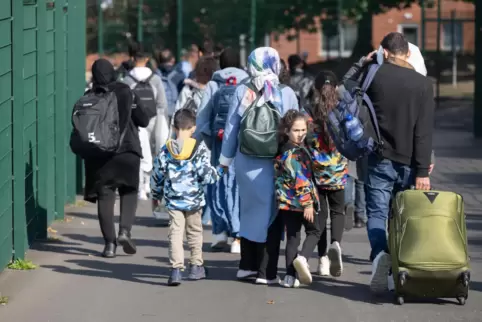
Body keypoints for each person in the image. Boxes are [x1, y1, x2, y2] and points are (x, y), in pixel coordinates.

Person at [344, 32, 434, 293]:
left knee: (377, 214)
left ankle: (379, 255)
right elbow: (424, 131)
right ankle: (399, 272)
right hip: (410, 163)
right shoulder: (423, 84)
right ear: (408, 53)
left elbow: (342, 89)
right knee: (403, 217)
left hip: (379, 157)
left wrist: (363, 62)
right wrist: (421, 171)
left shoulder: (373, 75)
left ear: (383, 51)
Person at [219, 47, 299, 284]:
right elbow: (296, 129)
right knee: (272, 214)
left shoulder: (242, 90)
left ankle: (247, 266)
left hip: (246, 161)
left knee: (249, 210)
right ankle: (267, 272)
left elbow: (232, 127)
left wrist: (225, 160)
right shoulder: (286, 93)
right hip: (275, 162)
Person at [83, 59, 151, 258]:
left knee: (105, 196)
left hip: (101, 156)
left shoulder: (90, 96)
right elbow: (144, 120)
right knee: (129, 190)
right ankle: (124, 231)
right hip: (128, 151)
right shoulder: (126, 91)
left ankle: (109, 245)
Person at [151, 108, 220, 286]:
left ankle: (176, 270)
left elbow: (157, 175)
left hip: (173, 201)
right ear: (193, 128)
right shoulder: (198, 148)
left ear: (175, 128)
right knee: (195, 232)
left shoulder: (166, 150)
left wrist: (156, 194)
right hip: (194, 200)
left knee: (175, 233)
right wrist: (217, 173)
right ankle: (196, 267)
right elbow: (206, 175)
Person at [196, 48, 249, 253]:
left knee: (218, 184)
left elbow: (203, 117)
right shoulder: (247, 83)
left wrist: (207, 141)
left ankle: (220, 233)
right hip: (242, 142)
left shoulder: (213, 83)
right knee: (238, 185)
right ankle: (239, 235)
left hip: (218, 141)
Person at [304, 71, 348, 278]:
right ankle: (336, 244)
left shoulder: (309, 111)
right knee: (338, 211)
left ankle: (322, 259)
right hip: (338, 171)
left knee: (321, 214)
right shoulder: (342, 110)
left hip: (317, 173)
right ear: (336, 87)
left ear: (315, 88)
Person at [275, 110, 321, 287]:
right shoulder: (296, 154)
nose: (301, 134)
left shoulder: (282, 150)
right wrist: (308, 203)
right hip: (301, 202)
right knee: (314, 230)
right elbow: (301, 180)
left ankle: (289, 277)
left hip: (286, 204)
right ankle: (303, 258)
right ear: (287, 131)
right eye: (296, 130)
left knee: (292, 238)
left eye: (303, 130)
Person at [123, 41, 169, 157]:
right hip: (153, 118)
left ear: (133, 59)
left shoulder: (127, 81)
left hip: (135, 121)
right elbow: (162, 104)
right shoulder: (156, 79)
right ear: (147, 59)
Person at [155, 48, 180, 127]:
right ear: (172, 60)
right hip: (175, 112)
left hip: (159, 112)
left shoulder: (154, 75)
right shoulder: (179, 76)